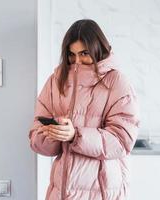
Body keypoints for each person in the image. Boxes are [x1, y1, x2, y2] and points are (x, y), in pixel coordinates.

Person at [29, 19, 139, 200]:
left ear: (99, 49)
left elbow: (122, 141)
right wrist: (52, 133)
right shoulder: (56, 80)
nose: (77, 61)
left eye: (84, 53)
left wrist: (76, 135)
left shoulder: (117, 82)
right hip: (61, 191)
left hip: (102, 190)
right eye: (71, 55)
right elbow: (37, 135)